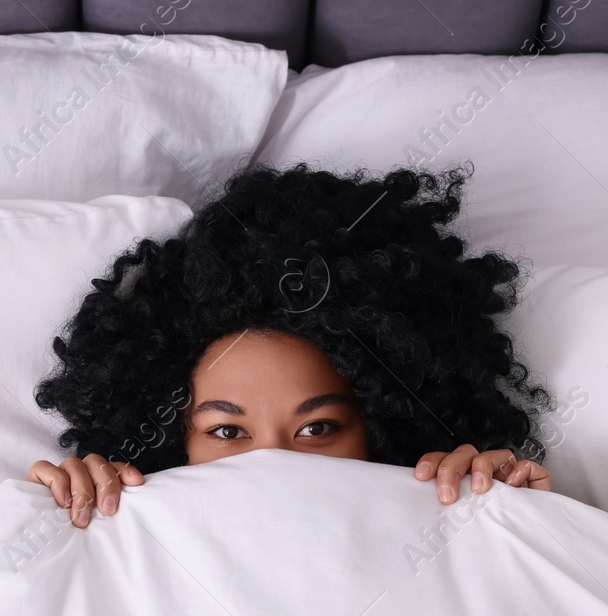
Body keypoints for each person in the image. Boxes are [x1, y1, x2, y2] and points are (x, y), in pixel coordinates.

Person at [28, 163, 553, 527]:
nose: (275, 464)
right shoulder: (118, 528)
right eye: (227, 430)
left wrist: (516, 517)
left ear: (378, 432)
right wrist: (65, 510)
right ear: (175, 445)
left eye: (317, 428)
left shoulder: (458, 514)